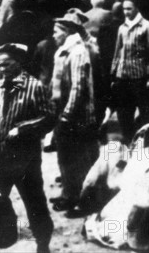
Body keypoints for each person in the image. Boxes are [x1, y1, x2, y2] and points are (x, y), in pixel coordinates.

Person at [0, 43, 55, 253]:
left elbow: (48, 117)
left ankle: (43, 244)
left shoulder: (34, 86)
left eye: (6, 64)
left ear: (18, 63)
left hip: (25, 160)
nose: (1, 68)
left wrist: (21, 130)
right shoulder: (1, 85)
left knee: (35, 204)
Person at [49, 13, 99, 214]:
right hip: (66, 113)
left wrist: (66, 115)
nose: (53, 36)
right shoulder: (64, 50)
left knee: (79, 160)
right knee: (65, 156)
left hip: (78, 117)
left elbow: (78, 88)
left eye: (56, 32)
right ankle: (69, 195)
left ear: (67, 32)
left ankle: (83, 201)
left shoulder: (78, 52)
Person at [111, 0, 149, 142]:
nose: (126, 12)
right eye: (124, 9)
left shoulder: (148, 27)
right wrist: (113, 74)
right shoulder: (122, 27)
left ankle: (145, 144)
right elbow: (117, 52)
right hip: (122, 76)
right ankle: (127, 143)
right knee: (124, 114)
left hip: (140, 77)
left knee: (145, 113)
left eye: (129, 9)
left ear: (137, 8)